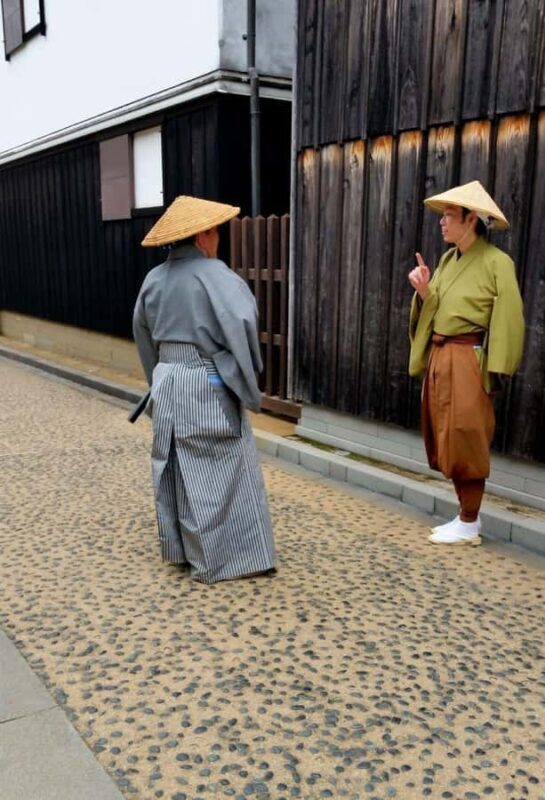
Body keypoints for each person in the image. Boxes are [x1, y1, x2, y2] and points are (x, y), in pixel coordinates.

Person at [132, 195, 276, 583]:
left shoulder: (153, 280)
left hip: (168, 378)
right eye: (216, 233)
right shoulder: (217, 276)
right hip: (206, 380)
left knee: (177, 468)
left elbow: (143, 338)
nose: (218, 241)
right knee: (222, 469)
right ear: (203, 236)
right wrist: (236, 372)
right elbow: (243, 326)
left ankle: (183, 551)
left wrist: (158, 381)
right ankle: (224, 560)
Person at [408, 181, 525, 546]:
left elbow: (509, 316)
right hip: (442, 356)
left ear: (470, 218)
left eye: (448, 216)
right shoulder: (447, 259)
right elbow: (438, 309)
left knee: (466, 435)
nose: (442, 223)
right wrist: (425, 292)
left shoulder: (497, 263)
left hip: (467, 357)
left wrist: (494, 370)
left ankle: (470, 521)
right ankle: (463, 515)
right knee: (446, 433)